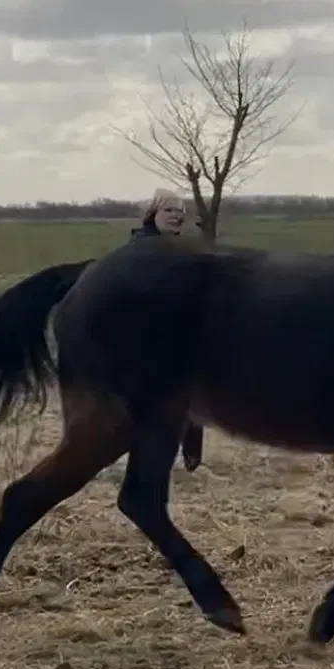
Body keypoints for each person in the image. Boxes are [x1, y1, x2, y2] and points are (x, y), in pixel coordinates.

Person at [129, 188, 203, 472]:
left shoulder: (179, 249)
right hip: (146, 336)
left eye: (180, 212)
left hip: (177, 334)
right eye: (169, 210)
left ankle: (191, 455)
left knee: (190, 395)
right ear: (153, 213)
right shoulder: (140, 249)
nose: (175, 216)